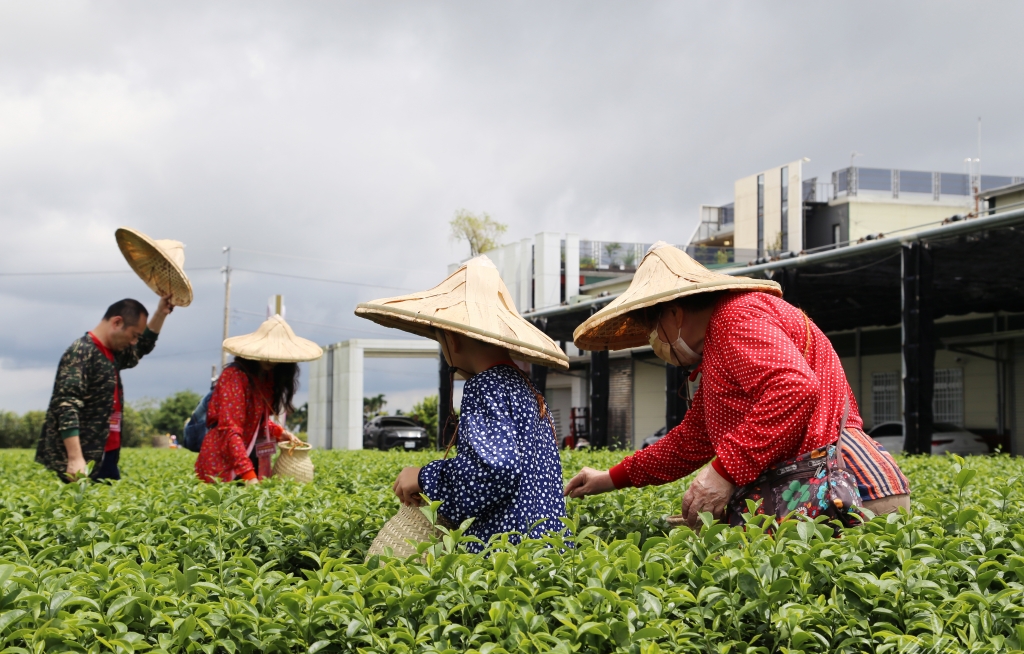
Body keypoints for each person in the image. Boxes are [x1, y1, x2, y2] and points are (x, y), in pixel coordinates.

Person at [564, 242, 910, 527]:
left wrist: (723, 472)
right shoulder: (718, 348)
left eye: (652, 325)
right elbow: (689, 442)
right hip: (835, 485)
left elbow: (793, 387)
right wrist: (610, 478)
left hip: (845, 489)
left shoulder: (735, 318)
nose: (653, 338)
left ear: (673, 312)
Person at [355, 255, 571, 550]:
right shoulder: (528, 389)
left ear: (452, 340)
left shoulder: (484, 386)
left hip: (503, 560)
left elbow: (491, 471)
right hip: (548, 556)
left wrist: (423, 476)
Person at [36, 296, 175, 482]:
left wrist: (161, 313)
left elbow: (142, 346)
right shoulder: (82, 352)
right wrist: (75, 458)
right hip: (84, 458)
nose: (134, 341)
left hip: (106, 452)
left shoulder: (112, 352)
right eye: (133, 335)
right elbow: (66, 405)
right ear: (117, 322)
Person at [194, 315, 321, 484]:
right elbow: (229, 429)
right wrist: (248, 475)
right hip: (221, 466)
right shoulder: (234, 377)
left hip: (247, 458)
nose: (270, 359)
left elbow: (253, 421)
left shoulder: (266, 379)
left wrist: (278, 432)